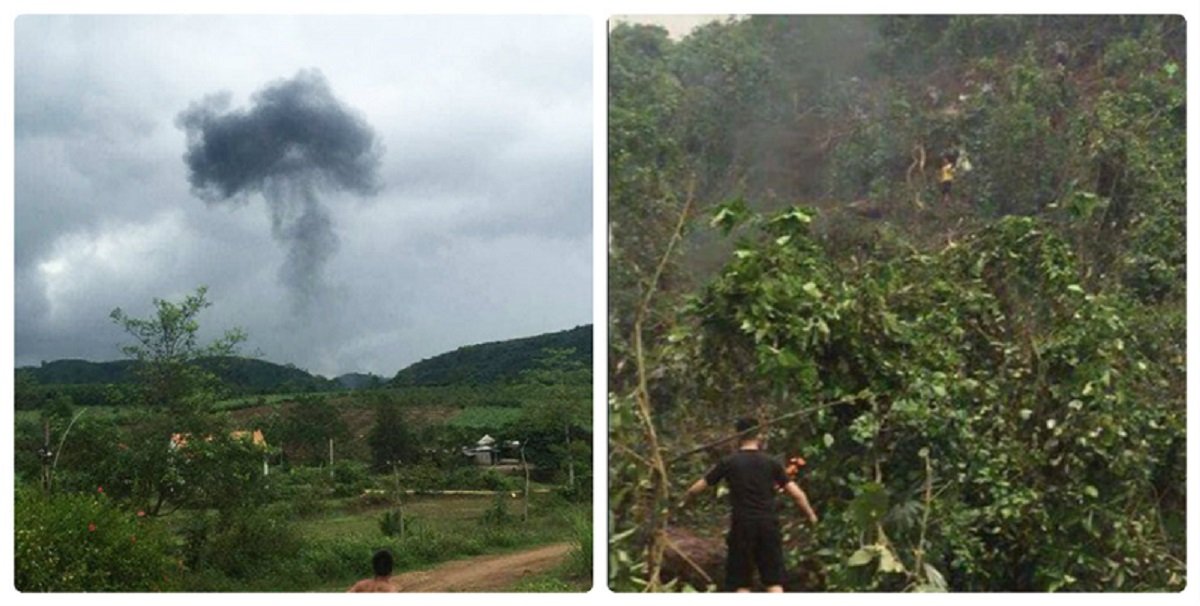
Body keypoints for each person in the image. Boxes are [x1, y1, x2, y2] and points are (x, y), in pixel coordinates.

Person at [680, 418, 818, 593]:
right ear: (759, 435)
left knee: (741, 583)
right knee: (774, 582)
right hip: (768, 525)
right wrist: (811, 517)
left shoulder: (729, 462)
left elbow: (696, 488)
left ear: (737, 436)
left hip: (742, 526)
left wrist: (681, 503)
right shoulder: (771, 463)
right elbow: (797, 494)